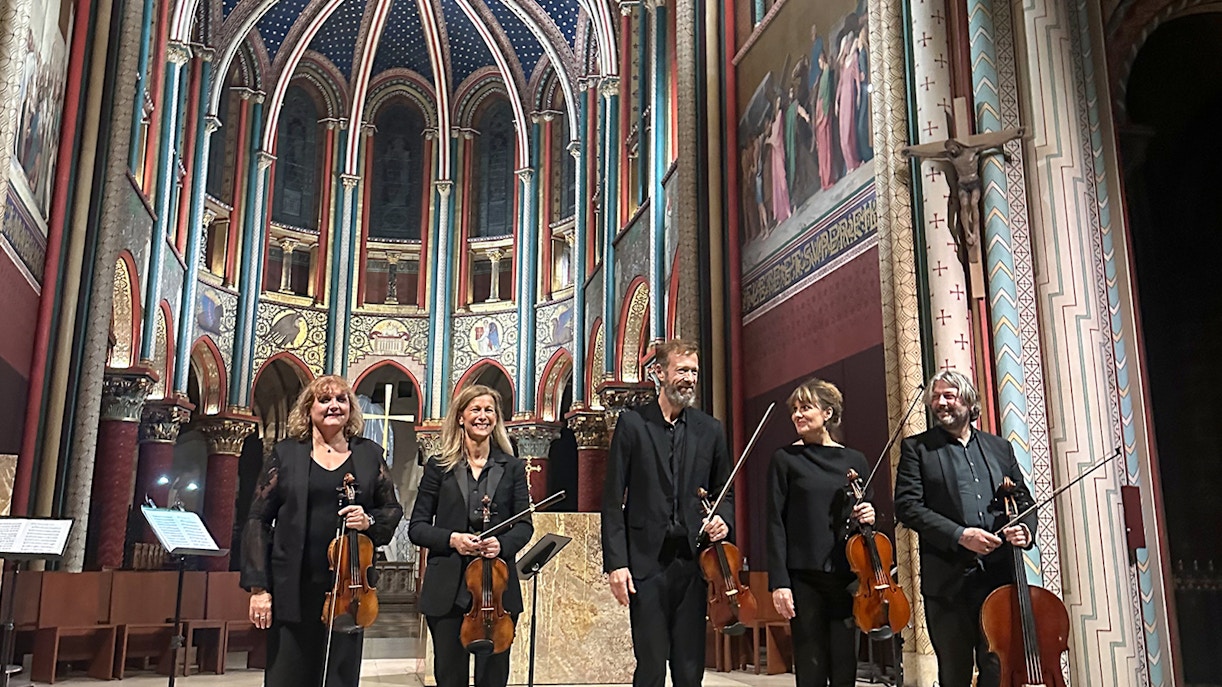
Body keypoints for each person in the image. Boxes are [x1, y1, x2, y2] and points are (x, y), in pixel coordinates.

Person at [241, 374, 404, 687]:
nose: (334, 406)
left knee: (339, 679)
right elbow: (257, 519)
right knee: (288, 676)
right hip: (293, 586)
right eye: (325, 400)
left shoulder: (368, 455)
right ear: (308, 409)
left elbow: (391, 509)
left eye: (342, 400)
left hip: (349, 588)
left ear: (351, 409)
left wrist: (368, 520)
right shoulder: (287, 454)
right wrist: (259, 588)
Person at [601, 338, 733, 687]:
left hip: (692, 564)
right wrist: (617, 564)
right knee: (651, 666)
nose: (689, 378)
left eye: (694, 372)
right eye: (682, 370)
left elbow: (725, 493)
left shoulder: (710, 429)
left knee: (690, 669)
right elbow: (613, 500)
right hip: (646, 566)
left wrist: (724, 518)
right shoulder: (632, 424)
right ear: (659, 373)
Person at [893, 370, 1037, 687]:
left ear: (969, 401)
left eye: (949, 395)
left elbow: (1024, 499)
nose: (940, 402)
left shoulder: (1000, 448)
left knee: (996, 666)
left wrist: (1024, 531)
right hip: (948, 581)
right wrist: (961, 536)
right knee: (954, 671)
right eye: (936, 396)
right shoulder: (917, 449)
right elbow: (908, 507)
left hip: (998, 578)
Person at [408, 384, 534, 687]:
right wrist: (453, 539)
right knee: (450, 676)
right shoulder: (438, 467)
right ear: (461, 417)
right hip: (448, 587)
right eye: (475, 409)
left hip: (497, 589)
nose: (482, 416)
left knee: (493, 677)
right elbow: (418, 527)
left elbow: (524, 526)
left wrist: (501, 544)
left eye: (488, 410)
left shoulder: (513, 467)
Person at [766, 378, 875, 687]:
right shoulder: (785, 459)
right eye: (795, 409)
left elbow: (864, 520)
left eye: (806, 408)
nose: (798, 415)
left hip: (846, 576)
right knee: (810, 667)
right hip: (804, 578)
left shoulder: (855, 461)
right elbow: (775, 522)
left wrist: (869, 515)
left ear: (828, 413)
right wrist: (779, 583)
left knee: (844, 669)